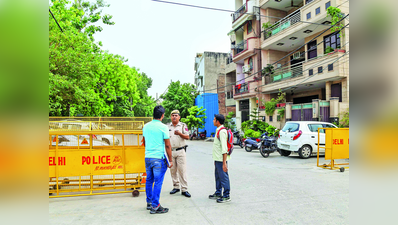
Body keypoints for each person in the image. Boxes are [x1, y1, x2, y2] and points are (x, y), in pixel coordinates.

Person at [142, 105, 173, 214]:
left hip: (148, 157)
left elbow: (144, 142)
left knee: (149, 180)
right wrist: (170, 159)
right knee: (158, 182)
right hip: (158, 158)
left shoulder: (145, 126)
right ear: (162, 115)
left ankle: (149, 202)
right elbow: (168, 145)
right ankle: (155, 206)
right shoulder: (163, 127)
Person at [168, 110, 191, 198]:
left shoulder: (183, 126)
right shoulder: (167, 127)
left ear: (179, 117)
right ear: (171, 117)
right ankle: (176, 186)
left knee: (182, 170)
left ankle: (184, 189)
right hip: (171, 151)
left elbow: (187, 137)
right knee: (173, 170)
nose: (174, 117)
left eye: (176, 115)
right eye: (173, 115)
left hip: (181, 150)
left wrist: (180, 133)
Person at [209, 114, 231, 203]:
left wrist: (224, 163)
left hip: (222, 160)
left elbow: (224, 148)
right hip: (217, 159)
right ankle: (218, 192)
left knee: (223, 177)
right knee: (218, 177)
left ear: (218, 121)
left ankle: (226, 195)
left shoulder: (222, 131)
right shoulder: (218, 130)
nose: (213, 121)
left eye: (214, 119)